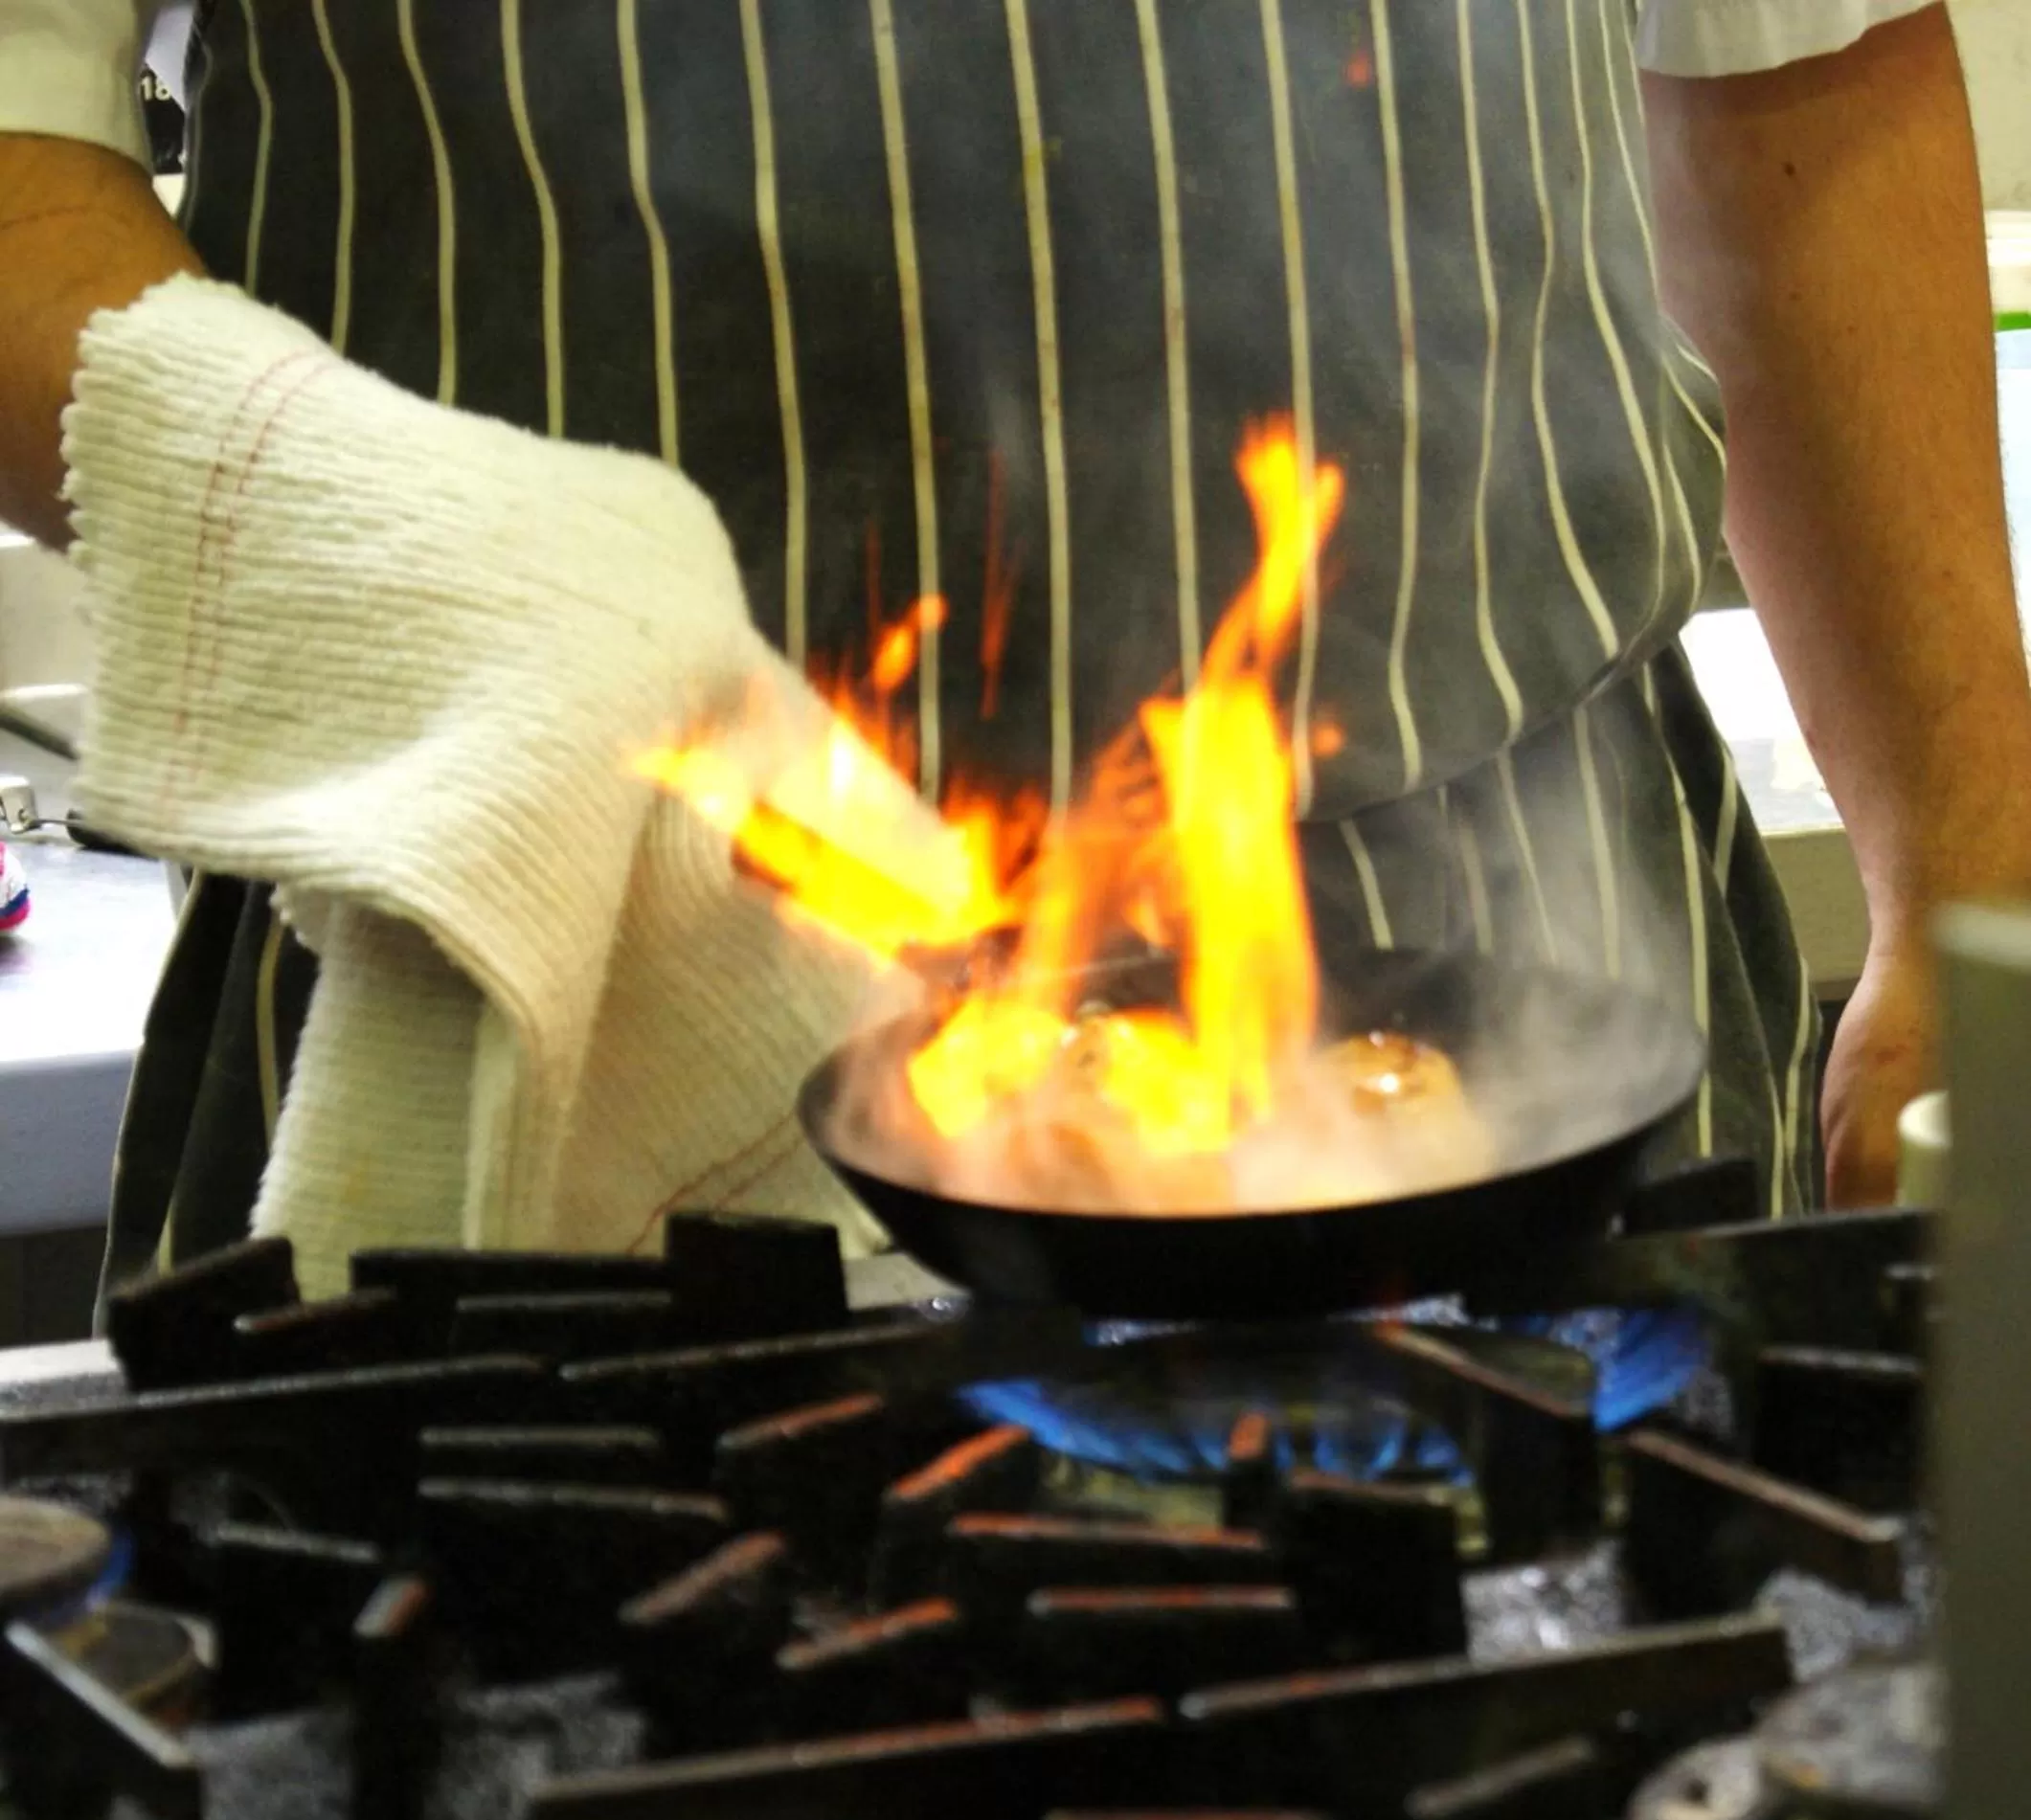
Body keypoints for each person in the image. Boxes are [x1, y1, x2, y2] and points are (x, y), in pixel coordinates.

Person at [1, 0, 2026, 1290]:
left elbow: (1800, 65)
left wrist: (1975, 893)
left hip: (1556, 1039)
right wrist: (471, 567)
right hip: (556, 985)